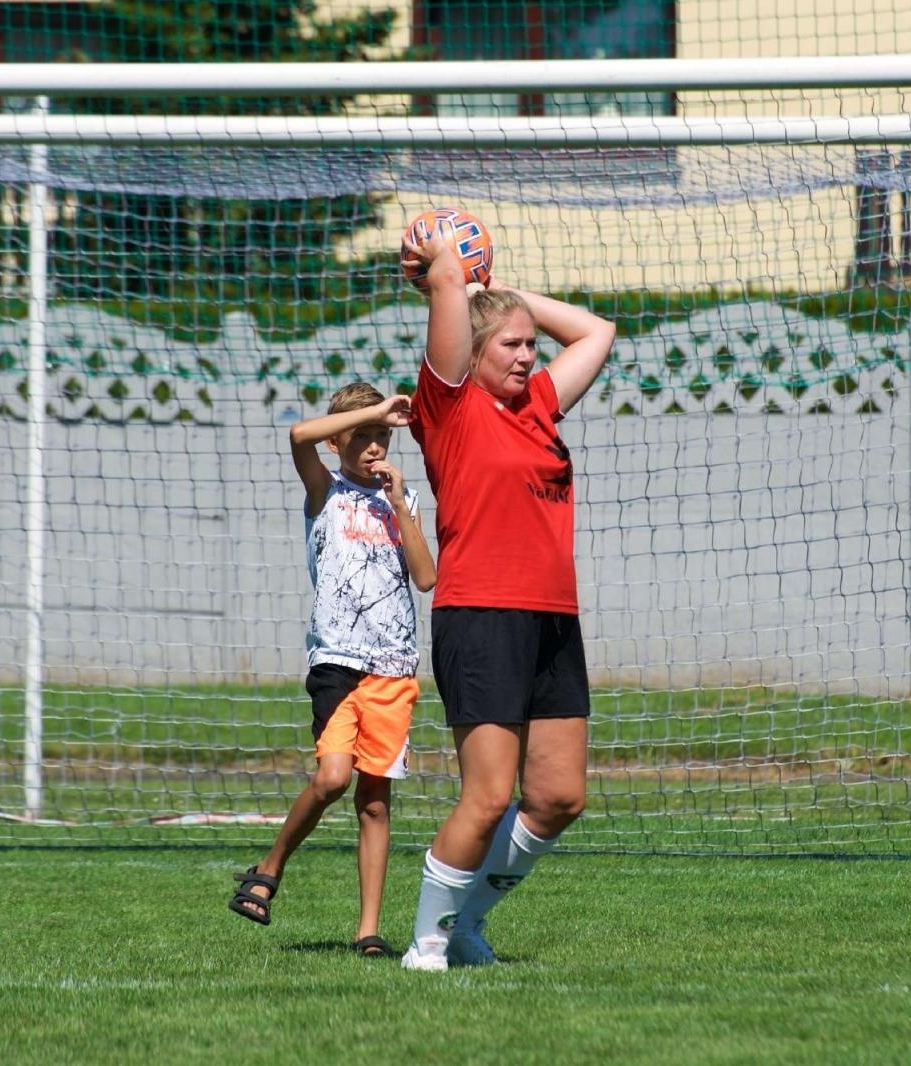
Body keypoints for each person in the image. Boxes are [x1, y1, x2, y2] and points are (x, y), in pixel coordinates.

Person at [396, 221, 615, 971]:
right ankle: (425, 945)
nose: (528, 356)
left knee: (557, 799)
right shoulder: (449, 409)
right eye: (510, 346)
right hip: (481, 613)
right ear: (474, 356)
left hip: (553, 619)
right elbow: (450, 291)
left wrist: (506, 293)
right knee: (488, 795)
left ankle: (466, 925)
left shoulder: (542, 403)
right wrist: (452, 276)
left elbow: (597, 330)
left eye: (530, 345)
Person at [228, 382, 436, 956]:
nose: (374, 447)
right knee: (332, 778)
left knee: (374, 800)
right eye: (362, 436)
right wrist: (371, 412)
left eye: (382, 438)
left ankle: (368, 930)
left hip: (392, 666)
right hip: (337, 660)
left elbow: (425, 576)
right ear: (340, 438)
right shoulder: (326, 490)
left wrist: (399, 505)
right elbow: (299, 436)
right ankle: (269, 868)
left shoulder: (402, 498)